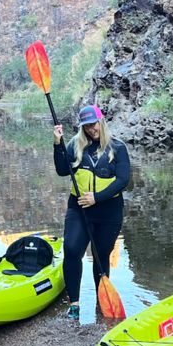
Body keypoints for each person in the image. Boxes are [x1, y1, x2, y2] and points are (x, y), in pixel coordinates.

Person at [53, 104, 130, 320]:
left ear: (101, 121)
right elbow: (61, 170)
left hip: (108, 212)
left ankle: (100, 301)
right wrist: (57, 144)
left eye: (93, 124)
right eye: (86, 126)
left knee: (101, 256)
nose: (90, 129)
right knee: (71, 249)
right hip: (79, 209)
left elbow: (124, 180)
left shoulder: (118, 147)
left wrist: (97, 197)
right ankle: (74, 304)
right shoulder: (75, 145)